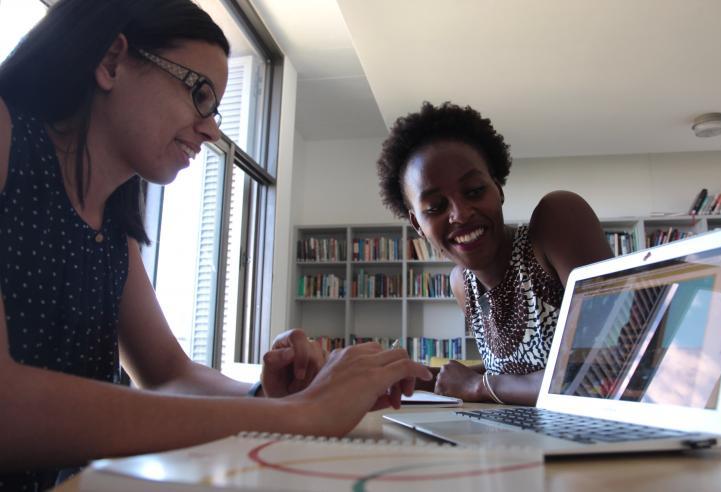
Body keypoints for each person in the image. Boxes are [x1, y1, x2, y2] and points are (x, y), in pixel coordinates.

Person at [0, 1, 430, 489]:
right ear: (112, 62)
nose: (211, 129)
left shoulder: (112, 232)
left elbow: (168, 375)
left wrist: (266, 398)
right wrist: (305, 414)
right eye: (199, 94)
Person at [376, 101, 612, 406]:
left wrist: (478, 387)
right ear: (417, 225)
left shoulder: (556, 222)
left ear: (497, 187)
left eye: (474, 190)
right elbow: (515, 372)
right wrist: (428, 378)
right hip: (518, 444)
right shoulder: (462, 284)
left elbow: (607, 369)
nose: (460, 214)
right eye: (435, 207)